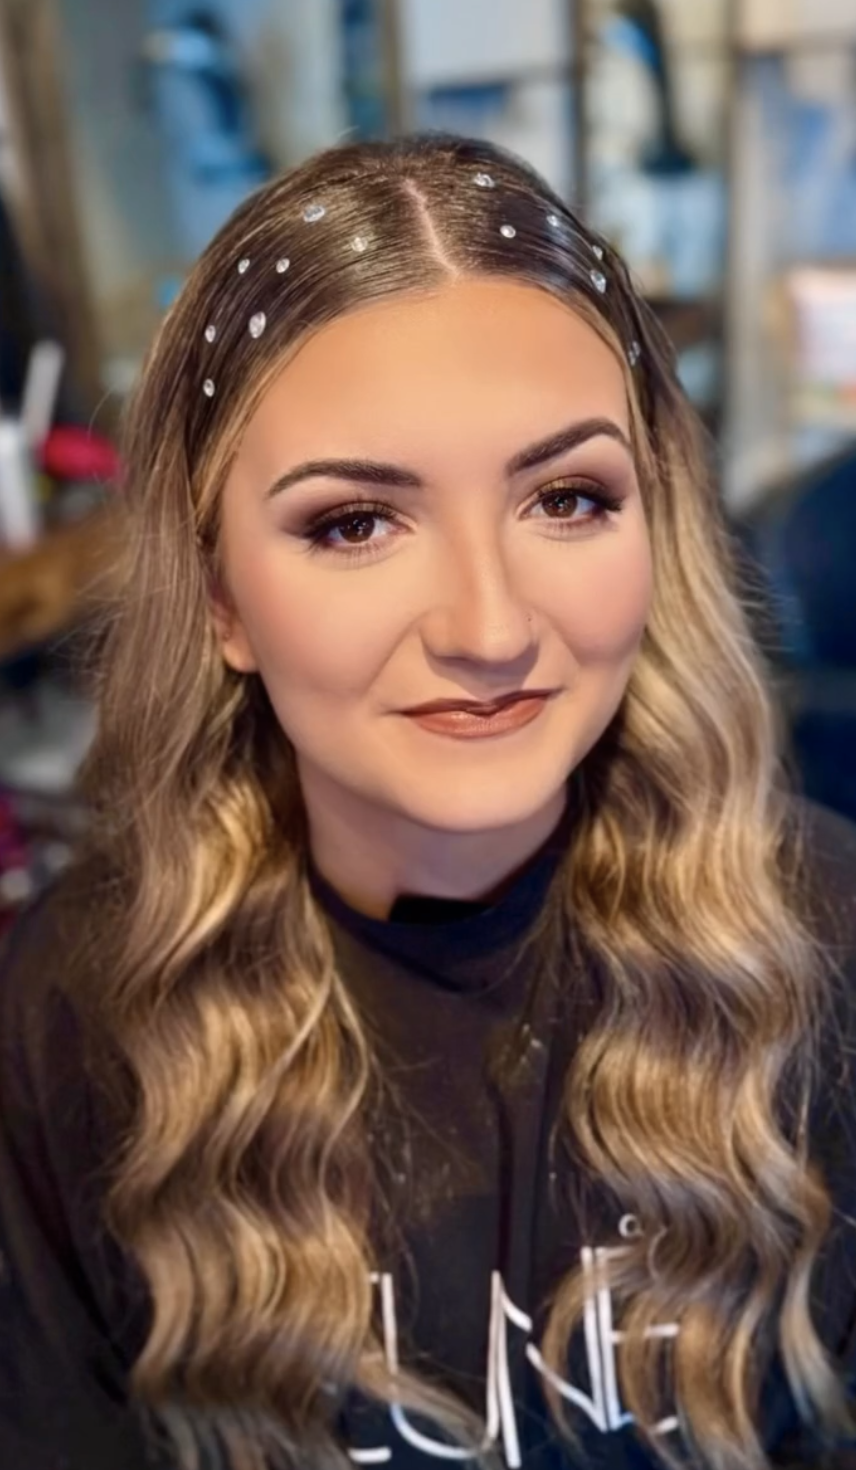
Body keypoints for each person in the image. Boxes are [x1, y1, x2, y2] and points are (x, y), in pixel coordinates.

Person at [0, 134, 854, 1470]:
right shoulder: (73, 1014)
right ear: (222, 595)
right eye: (354, 522)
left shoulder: (822, 943)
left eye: (568, 497)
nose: (490, 624)